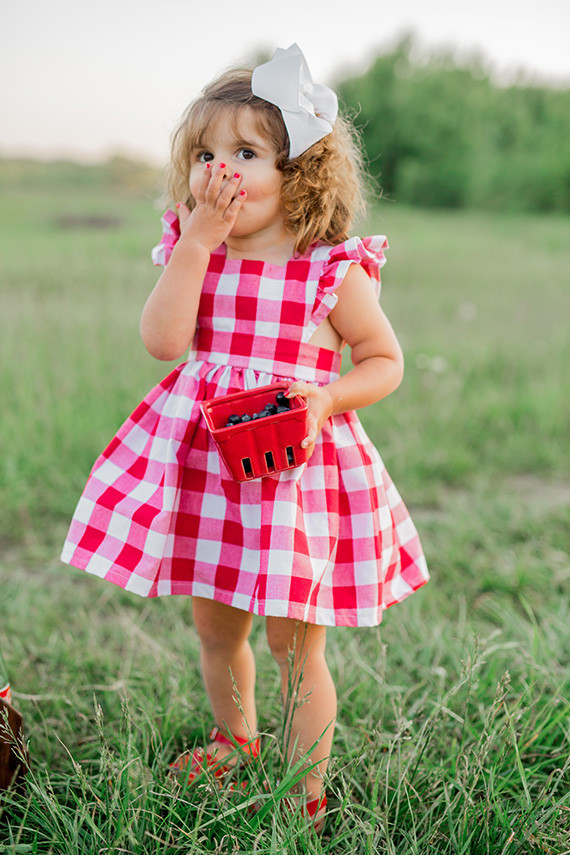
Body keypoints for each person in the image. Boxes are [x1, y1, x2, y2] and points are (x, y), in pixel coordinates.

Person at [61, 44, 429, 831]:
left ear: (301, 170)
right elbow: (163, 342)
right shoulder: (199, 255)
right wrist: (194, 244)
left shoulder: (329, 269)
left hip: (293, 469)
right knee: (215, 627)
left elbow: (384, 360)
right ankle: (237, 741)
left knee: (300, 646)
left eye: (245, 152)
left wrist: (327, 395)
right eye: (203, 153)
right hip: (207, 467)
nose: (217, 171)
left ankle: (305, 785)